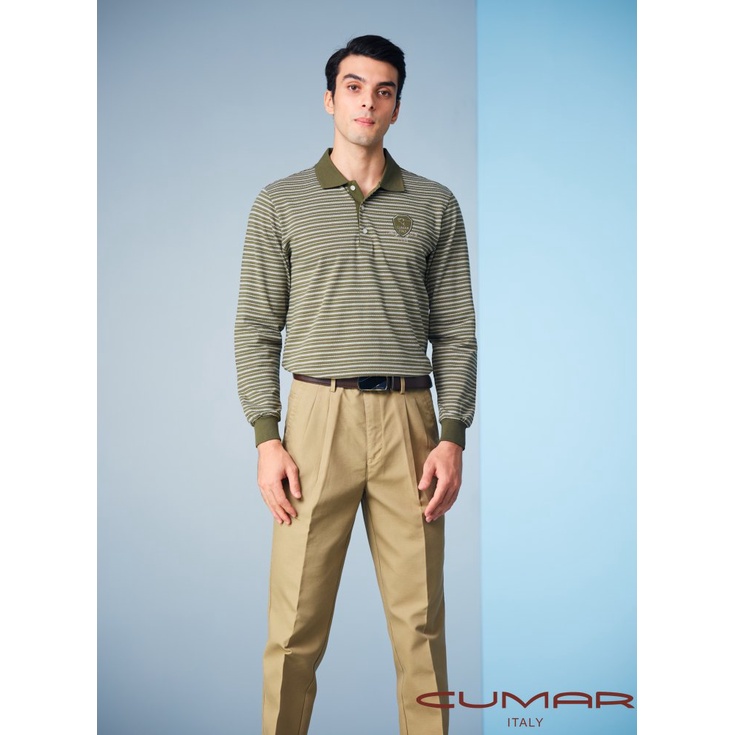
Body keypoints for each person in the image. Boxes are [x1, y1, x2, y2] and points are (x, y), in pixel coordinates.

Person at [235, 34, 477, 735]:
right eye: (353, 86)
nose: (367, 102)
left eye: (383, 91)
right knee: (294, 627)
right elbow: (256, 328)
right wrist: (267, 438)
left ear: (396, 107)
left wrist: (452, 435)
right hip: (316, 421)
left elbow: (456, 331)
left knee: (420, 627)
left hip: (410, 422)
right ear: (329, 99)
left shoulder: (435, 205)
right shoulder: (279, 203)